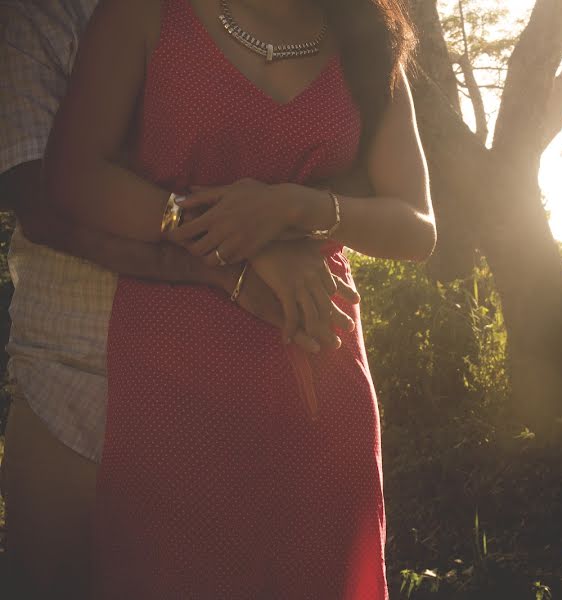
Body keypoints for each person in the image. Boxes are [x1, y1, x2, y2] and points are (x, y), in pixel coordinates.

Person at [41, 0, 434, 596]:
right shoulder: (145, 16)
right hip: (174, 369)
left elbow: (417, 226)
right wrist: (235, 238)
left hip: (318, 362)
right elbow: (73, 175)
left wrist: (293, 207)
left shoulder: (368, 37)